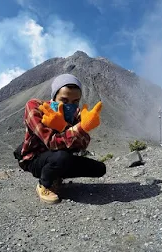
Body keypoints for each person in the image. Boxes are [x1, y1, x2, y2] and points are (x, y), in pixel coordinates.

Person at [15, 73, 106, 204]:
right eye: (64, 100)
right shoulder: (36, 107)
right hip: (34, 159)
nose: (70, 105)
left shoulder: (76, 114)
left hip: (62, 157)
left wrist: (65, 127)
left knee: (100, 169)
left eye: (75, 101)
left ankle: (56, 176)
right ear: (54, 97)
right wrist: (77, 129)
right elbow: (51, 142)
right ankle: (44, 184)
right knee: (61, 157)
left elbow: (83, 144)